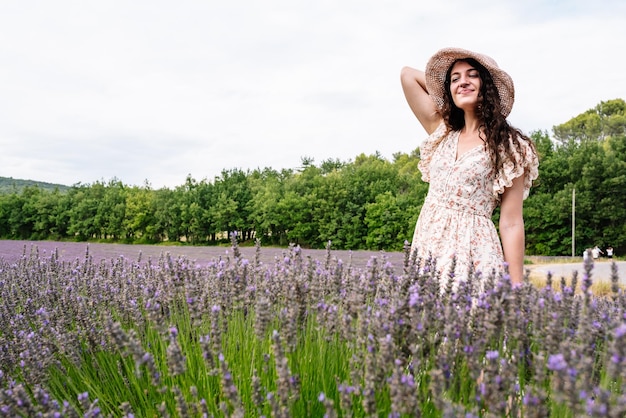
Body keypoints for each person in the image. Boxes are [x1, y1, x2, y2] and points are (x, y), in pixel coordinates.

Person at [400, 47, 538, 291]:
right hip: (428, 251)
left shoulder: (510, 146)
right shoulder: (441, 131)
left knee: (470, 325)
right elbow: (407, 75)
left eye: (472, 75)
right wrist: (449, 89)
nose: (462, 81)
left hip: (473, 253)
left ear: (487, 85)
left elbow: (511, 222)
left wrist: (517, 287)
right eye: (455, 78)